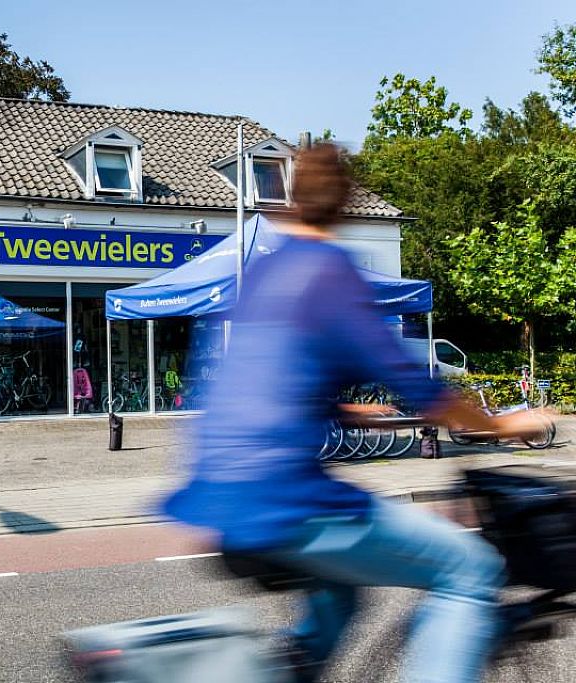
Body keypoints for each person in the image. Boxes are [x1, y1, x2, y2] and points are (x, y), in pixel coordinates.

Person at [161, 144, 544, 683]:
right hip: (286, 497)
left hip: (216, 492)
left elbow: (263, 380)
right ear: (345, 205)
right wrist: (502, 424)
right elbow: (418, 385)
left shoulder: (263, 273)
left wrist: (342, 408)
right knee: (470, 567)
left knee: (339, 597)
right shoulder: (331, 273)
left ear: (292, 199)